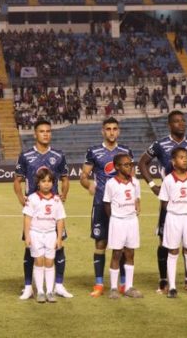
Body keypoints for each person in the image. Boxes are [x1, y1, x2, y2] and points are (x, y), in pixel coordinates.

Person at [138, 110, 187, 294]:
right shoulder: (160, 144)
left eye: (183, 120)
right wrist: (153, 185)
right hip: (169, 199)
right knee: (164, 239)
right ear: (170, 124)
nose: (181, 124)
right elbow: (142, 162)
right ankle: (164, 280)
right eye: (176, 121)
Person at [14, 119, 72, 300]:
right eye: (42, 131)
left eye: (48, 131)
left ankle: (59, 286)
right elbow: (17, 180)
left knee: (59, 247)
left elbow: (65, 177)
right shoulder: (25, 156)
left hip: (52, 210)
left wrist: (64, 194)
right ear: (35, 134)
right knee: (30, 247)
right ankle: (28, 287)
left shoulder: (58, 155)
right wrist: (20, 198)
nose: (46, 134)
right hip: (34, 209)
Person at [80, 118, 133, 297]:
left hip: (122, 206)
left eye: (114, 129)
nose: (111, 132)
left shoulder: (125, 151)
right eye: (108, 129)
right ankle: (99, 284)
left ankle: (124, 284)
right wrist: (89, 185)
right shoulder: (93, 151)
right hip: (101, 203)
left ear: (119, 131)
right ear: (103, 131)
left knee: (125, 245)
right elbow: (84, 176)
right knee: (100, 242)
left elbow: (131, 177)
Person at [159, 147, 187, 298]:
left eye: (186, 157)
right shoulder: (168, 180)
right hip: (173, 217)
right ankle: (172, 287)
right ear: (173, 161)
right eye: (181, 157)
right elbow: (164, 202)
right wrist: (175, 210)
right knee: (173, 251)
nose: (185, 160)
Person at [23, 168, 67, 304]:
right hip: (36, 234)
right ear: (38, 183)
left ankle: (49, 291)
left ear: (53, 183)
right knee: (38, 261)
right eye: (43, 181)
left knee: (49, 262)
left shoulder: (56, 200)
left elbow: (60, 220)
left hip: (50, 235)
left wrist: (59, 238)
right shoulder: (32, 198)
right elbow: (27, 218)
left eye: (49, 181)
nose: (46, 184)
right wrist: (27, 236)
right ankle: (40, 291)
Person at [103, 153, 143, 299]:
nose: (130, 167)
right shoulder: (111, 184)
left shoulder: (135, 182)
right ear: (117, 167)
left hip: (132, 221)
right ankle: (113, 288)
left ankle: (129, 287)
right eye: (126, 165)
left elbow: (137, 198)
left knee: (130, 253)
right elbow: (106, 203)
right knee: (116, 254)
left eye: (130, 164)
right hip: (118, 221)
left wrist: (137, 206)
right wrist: (114, 218)